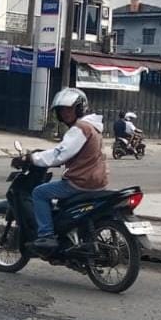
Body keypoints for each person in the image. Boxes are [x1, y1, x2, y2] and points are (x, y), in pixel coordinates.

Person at [28, 88, 107, 254]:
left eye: (70, 109)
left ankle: (46, 235)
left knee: (39, 193)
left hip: (80, 182)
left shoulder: (80, 128)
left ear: (80, 108)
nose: (65, 113)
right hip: (98, 182)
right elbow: (74, 153)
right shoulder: (94, 126)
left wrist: (33, 158)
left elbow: (59, 154)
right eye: (62, 109)